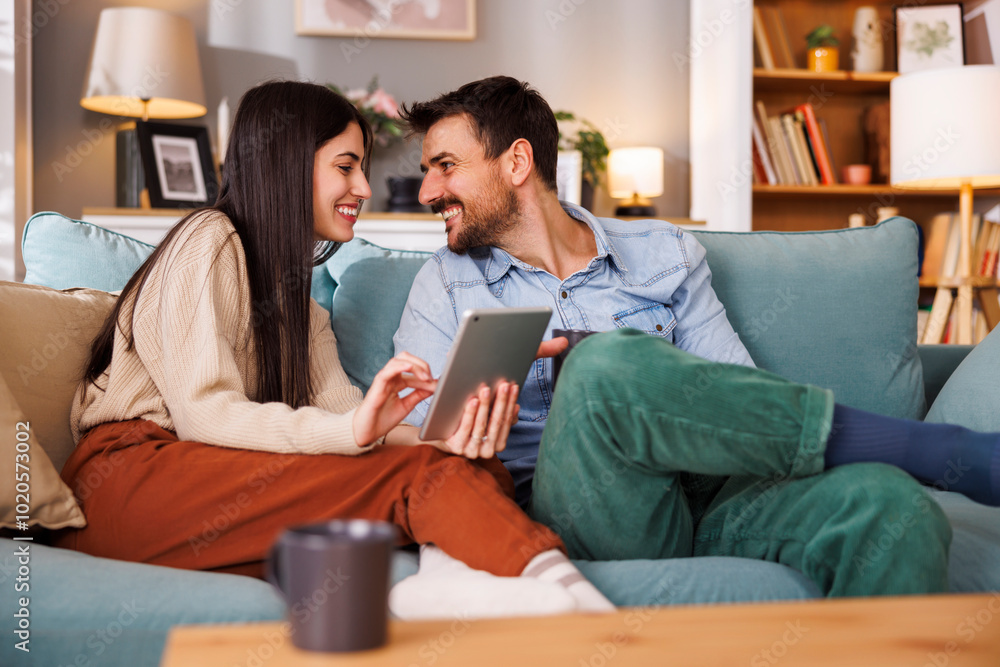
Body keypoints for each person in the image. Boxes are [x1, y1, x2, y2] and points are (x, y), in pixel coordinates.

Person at [392, 75, 1000, 597]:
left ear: (517, 162)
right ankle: (928, 448)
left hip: (711, 495)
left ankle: (903, 468)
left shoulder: (663, 253)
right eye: (427, 172)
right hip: (585, 508)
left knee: (892, 508)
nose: (427, 192)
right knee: (599, 367)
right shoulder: (445, 284)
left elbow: (737, 389)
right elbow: (416, 451)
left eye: (445, 166)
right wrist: (469, 434)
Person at [53, 80, 614, 619]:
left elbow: (352, 419)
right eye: (346, 167)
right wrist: (361, 433)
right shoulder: (211, 238)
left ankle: (443, 585)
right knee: (421, 477)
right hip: (131, 479)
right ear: (286, 163)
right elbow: (205, 414)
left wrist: (439, 435)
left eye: (361, 169)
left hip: (206, 477)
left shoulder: (301, 308)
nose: (364, 188)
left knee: (472, 465)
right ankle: (585, 610)